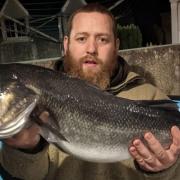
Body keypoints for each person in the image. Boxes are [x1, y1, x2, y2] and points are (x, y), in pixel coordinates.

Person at [1, 3, 180, 180]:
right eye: (81, 38)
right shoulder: (42, 98)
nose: (91, 49)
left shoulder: (151, 96)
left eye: (102, 39)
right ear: (66, 44)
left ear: (116, 46)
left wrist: (164, 170)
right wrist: (26, 150)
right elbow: (24, 176)